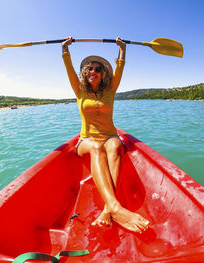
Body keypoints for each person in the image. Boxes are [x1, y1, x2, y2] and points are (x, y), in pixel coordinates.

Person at [62, 36, 149, 233]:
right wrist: (65, 50)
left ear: (103, 75)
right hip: (86, 140)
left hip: (110, 136)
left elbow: (120, 68)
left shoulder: (110, 90)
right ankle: (116, 207)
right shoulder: (79, 91)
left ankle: (107, 209)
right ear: (85, 73)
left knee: (115, 146)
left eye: (98, 69)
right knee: (96, 147)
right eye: (90, 69)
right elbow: (68, 70)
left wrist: (122, 50)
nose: (93, 71)